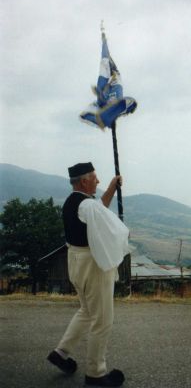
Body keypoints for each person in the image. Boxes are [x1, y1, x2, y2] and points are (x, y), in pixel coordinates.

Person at [47, 162, 129, 387]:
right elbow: (113, 226)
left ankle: (61, 352)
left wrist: (113, 186)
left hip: (75, 261)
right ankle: (95, 374)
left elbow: (98, 207)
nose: (98, 181)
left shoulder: (75, 203)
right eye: (94, 177)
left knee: (86, 311)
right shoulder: (88, 206)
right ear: (84, 181)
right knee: (102, 320)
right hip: (93, 265)